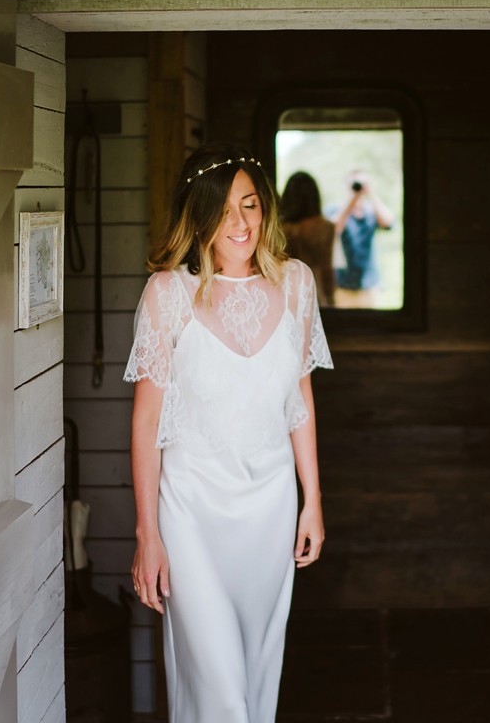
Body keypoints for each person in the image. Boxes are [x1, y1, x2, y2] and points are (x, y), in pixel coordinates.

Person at [125, 142, 333, 722]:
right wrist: (148, 534)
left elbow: (302, 400)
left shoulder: (295, 284)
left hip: (269, 509)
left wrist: (311, 500)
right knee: (218, 691)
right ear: (198, 216)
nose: (239, 222)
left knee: (256, 679)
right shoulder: (167, 294)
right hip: (190, 513)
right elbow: (145, 422)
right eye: (223, 209)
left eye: (250, 204)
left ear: (265, 209)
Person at [329, 171, 395, 308]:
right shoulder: (337, 210)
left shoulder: (371, 211)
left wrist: (371, 194)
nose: (358, 188)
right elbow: (333, 228)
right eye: (354, 184)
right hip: (343, 283)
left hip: (369, 283)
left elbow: (388, 222)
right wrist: (352, 200)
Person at [279, 171, 336, 306]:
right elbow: (326, 267)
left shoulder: (278, 228)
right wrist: (331, 301)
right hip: (313, 287)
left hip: (284, 288)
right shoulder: (325, 227)